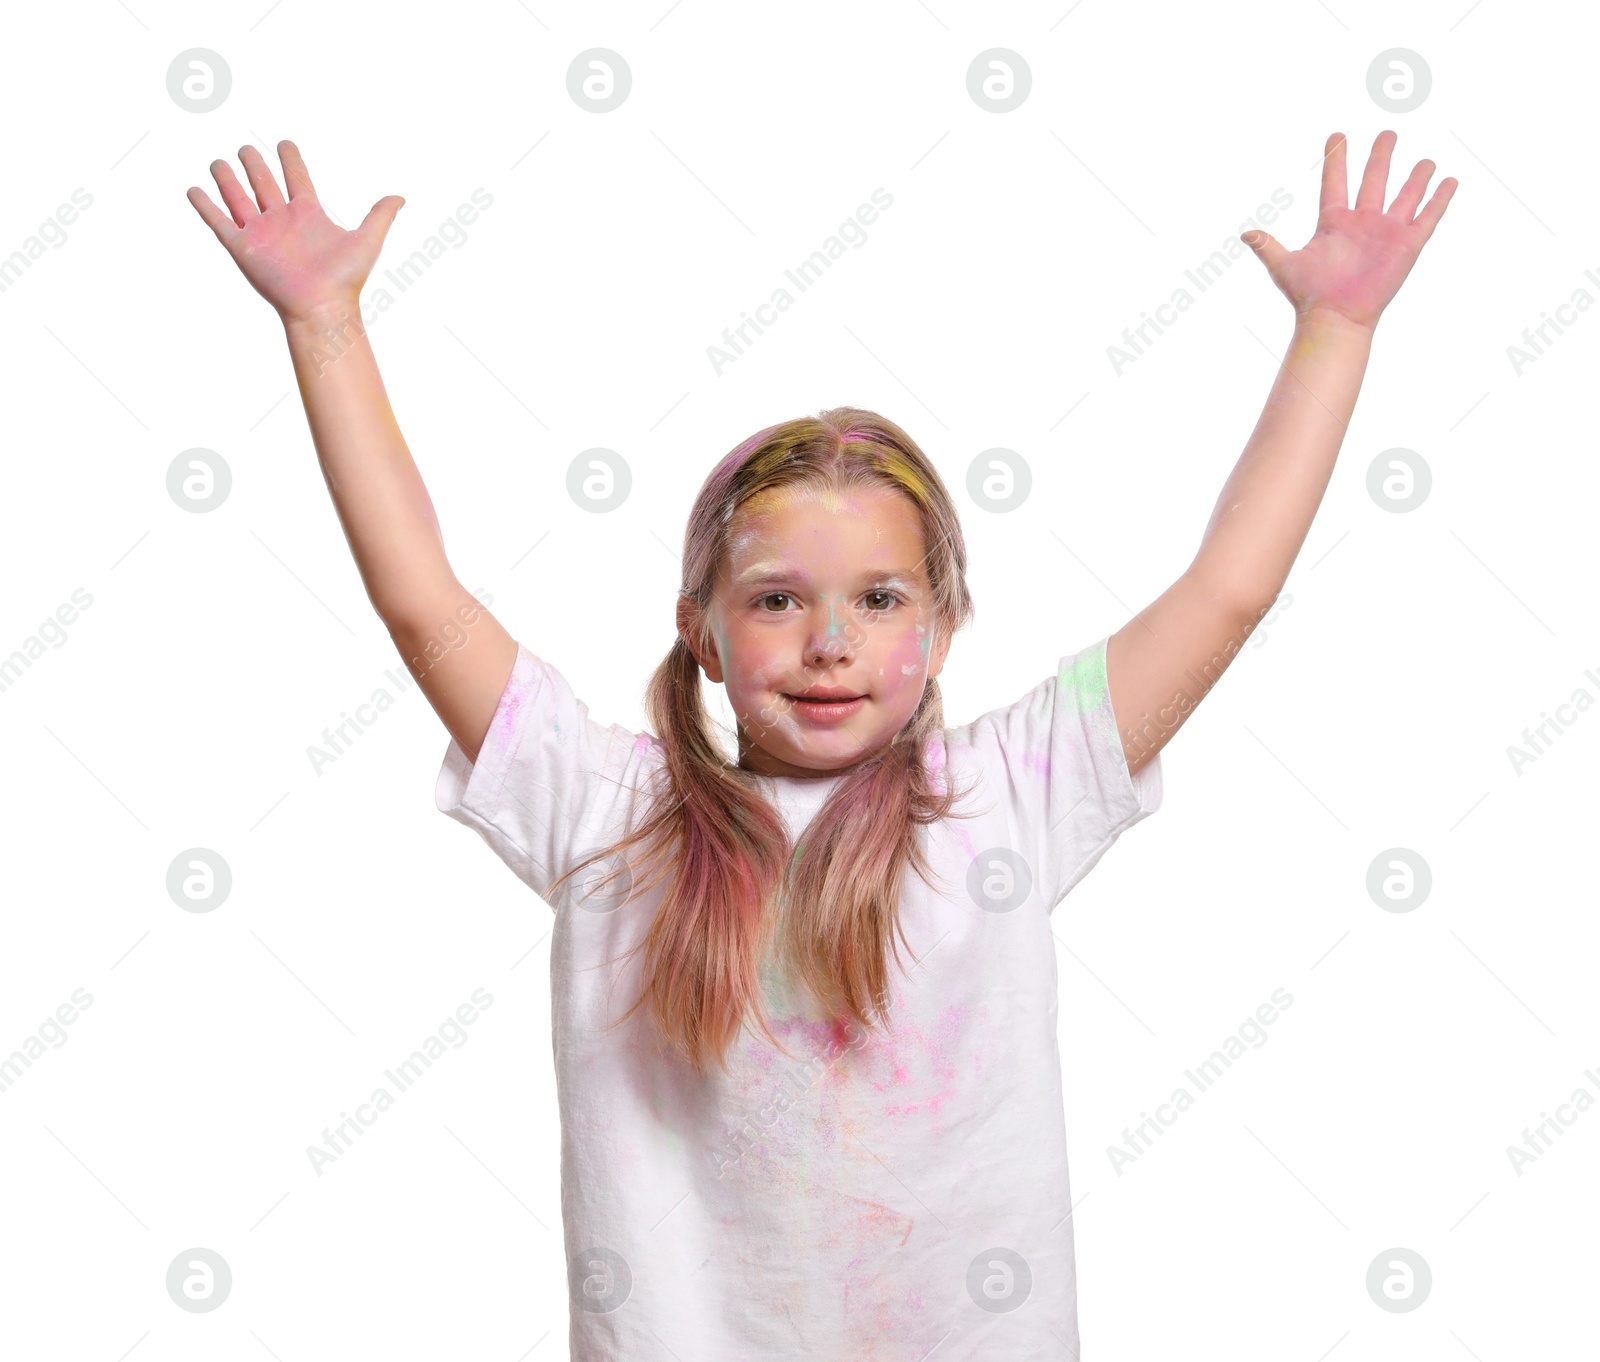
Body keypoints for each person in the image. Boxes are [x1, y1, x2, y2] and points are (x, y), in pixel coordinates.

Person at [186, 130, 1456, 1359]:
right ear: (703, 632)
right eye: (779, 599)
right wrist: (325, 329)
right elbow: (423, 602)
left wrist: (1333, 332)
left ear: (944, 628)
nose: (830, 643)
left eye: (881, 600)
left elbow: (1225, 592)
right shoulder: (607, 812)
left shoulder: (1007, 797)